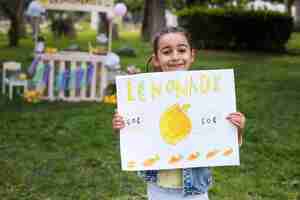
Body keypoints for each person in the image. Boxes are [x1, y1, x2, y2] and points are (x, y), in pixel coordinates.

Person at [112, 26, 246, 200]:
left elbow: (222, 142)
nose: (175, 57)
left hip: (195, 189)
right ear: (156, 60)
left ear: (192, 55)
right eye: (167, 52)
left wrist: (237, 128)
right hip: (158, 187)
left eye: (181, 50)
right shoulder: (145, 99)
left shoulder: (208, 95)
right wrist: (122, 127)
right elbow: (135, 139)